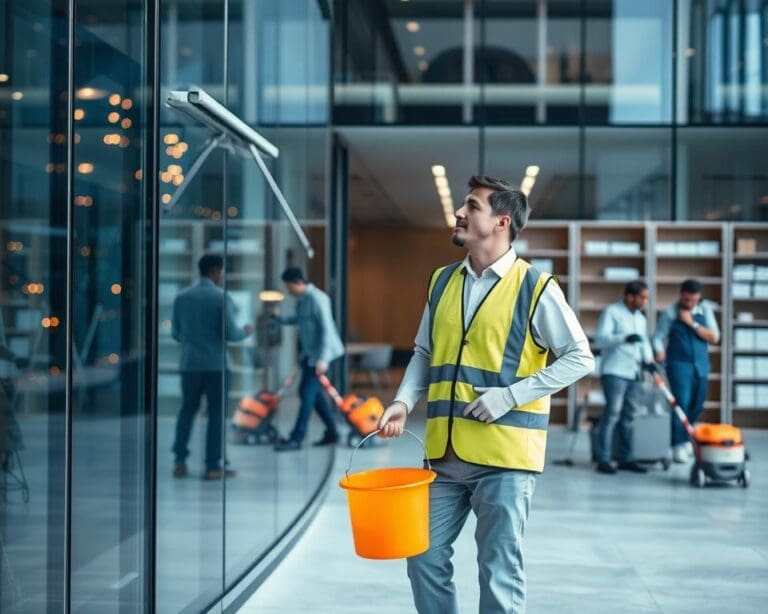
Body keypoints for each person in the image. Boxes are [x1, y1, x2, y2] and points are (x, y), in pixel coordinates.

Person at [377, 176, 594, 614]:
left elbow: (580, 357)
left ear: (501, 222)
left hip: (504, 458)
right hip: (443, 455)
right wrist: (402, 401)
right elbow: (425, 352)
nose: (459, 212)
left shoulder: (536, 287)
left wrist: (509, 396)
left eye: (471, 206)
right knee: (422, 556)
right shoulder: (441, 282)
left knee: (498, 569)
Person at [171, 254, 253, 480]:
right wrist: (245, 331)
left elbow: (176, 333)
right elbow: (230, 333)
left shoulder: (182, 297)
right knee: (216, 415)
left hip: (189, 365)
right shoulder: (221, 297)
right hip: (216, 365)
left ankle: (179, 461)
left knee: (187, 410)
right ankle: (213, 466)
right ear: (216, 271)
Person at [273, 267, 344, 451]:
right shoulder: (302, 301)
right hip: (310, 355)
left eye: (289, 287)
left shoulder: (318, 299)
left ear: (298, 282)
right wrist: (279, 319)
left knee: (306, 395)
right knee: (314, 395)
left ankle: (297, 437)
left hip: (322, 355)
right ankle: (332, 432)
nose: (288, 291)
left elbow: (327, 330)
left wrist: (323, 359)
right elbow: (300, 319)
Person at [593, 280, 657, 475]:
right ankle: (603, 458)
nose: (645, 301)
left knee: (629, 416)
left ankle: (625, 458)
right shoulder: (612, 312)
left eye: (647, 298)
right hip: (615, 372)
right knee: (612, 414)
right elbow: (600, 339)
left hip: (634, 373)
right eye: (642, 297)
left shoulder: (640, 317)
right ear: (630, 296)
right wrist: (624, 338)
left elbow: (644, 342)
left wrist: (649, 360)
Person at [653, 278, 719, 463]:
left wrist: (692, 323)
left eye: (693, 300)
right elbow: (658, 337)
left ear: (699, 298)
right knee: (681, 403)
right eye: (686, 300)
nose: (689, 303)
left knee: (697, 405)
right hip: (678, 365)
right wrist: (659, 350)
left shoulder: (705, 311)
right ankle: (676, 446)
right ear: (681, 295)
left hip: (701, 366)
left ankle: (685, 441)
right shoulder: (669, 313)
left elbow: (714, 337)